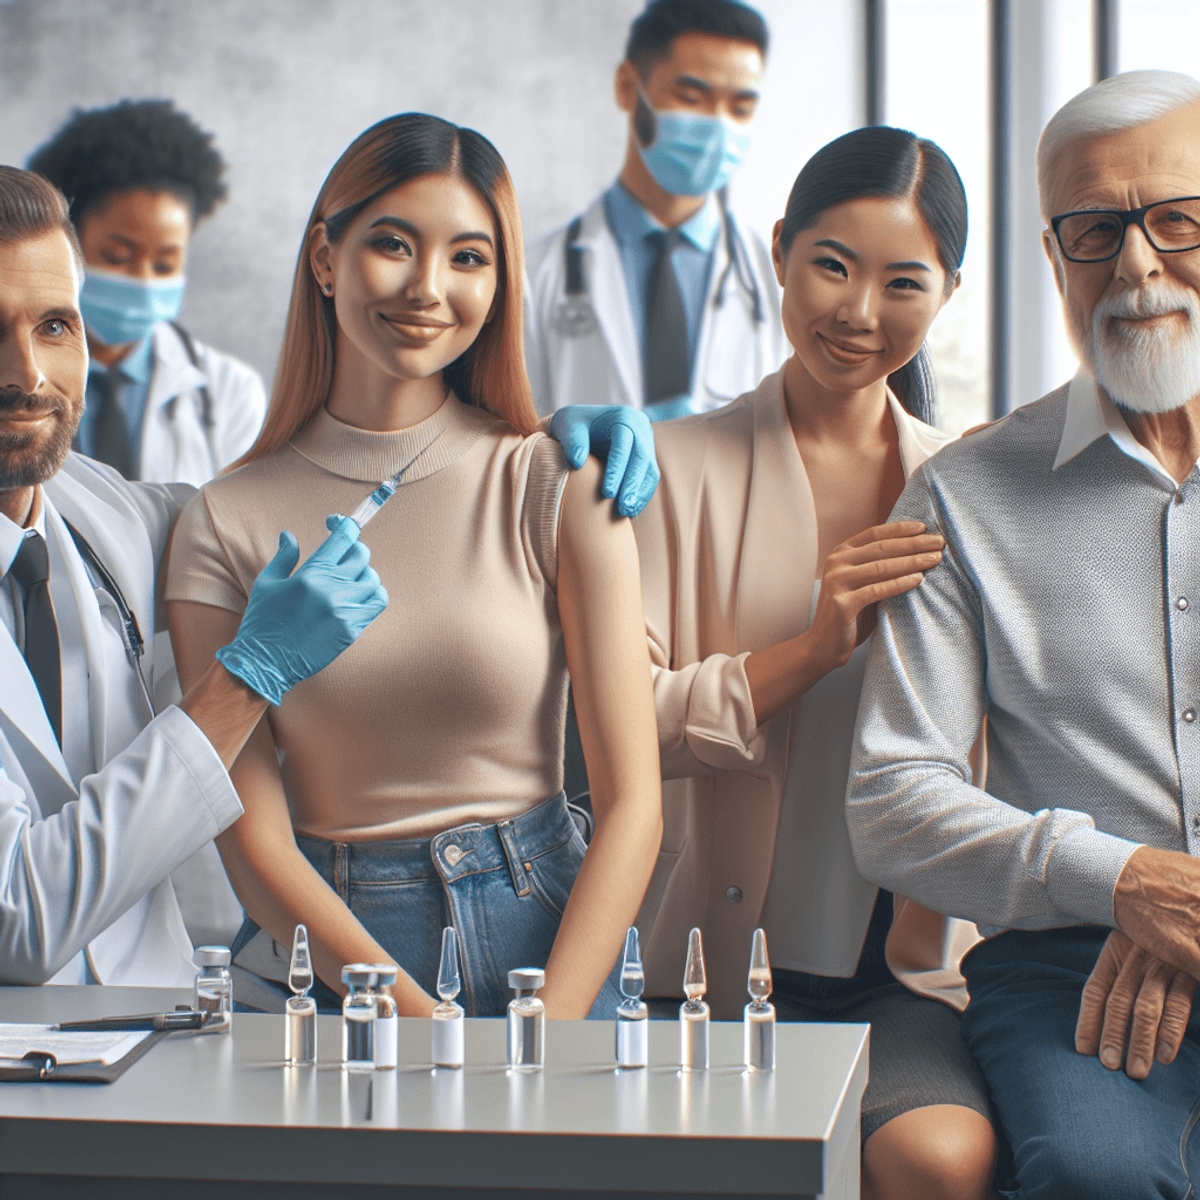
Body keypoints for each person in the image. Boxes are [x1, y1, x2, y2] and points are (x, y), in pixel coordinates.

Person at [570, 127, 996, 1200]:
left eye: (903, 281)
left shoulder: (974, 492)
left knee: (943, 1165)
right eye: (832, 266)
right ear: (777, 253)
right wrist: (810, 650)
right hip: (694, 968)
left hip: (894, 978)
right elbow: (614, 742)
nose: (858, 311)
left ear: (948, 291)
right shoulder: (667, 469)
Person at [165, 114, 663, 1018]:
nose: (428, 288)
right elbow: (253, 844)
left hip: (551, 939)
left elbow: (633, 803)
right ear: (326, 256)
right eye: (392, 244)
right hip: (326, 964)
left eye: (469, 258)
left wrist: (540, 1037)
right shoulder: (221, 521)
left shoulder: (555, 481)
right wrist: (417, 1020)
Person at [847, 71, 1200, 1199]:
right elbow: (893, 800)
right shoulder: (966, 495)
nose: (1137, 265)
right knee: (1095, 1174)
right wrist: (1125, 880)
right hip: (1068, 961)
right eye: (1095, 229)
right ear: (1054, 258)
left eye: (1179, 219)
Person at [0, 165, 386, 987]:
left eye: (56, 326)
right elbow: (20, 919)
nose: (27, 376)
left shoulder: (101, 511)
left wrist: (534, 443)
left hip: (152, 1038)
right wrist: (248, 677)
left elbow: (316, 497)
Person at [525, 0, 787, 422]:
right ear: (628, 87)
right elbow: (513, 445)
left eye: (740, 108)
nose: (718, 126)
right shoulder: (535, 277)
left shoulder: (774, 282)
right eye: (691, 97)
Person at [27, 99, 267, 486]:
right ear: (65, 244)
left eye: (165, 264)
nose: (143, 280)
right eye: (116, 256)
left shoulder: (228, 392)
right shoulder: (14, 373)